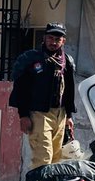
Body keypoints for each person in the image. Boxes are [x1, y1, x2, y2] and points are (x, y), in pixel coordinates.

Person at [9, 22, 77, 170]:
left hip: (60, 114)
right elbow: (21, 89)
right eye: (50, 38)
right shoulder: (31, 59)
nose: (53, 42)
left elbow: (69, 91)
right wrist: (24, 115)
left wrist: (69, 116)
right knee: (43, 158)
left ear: (63, 41)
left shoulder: (68, 62)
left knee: (56, 159)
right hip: (39, 114)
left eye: (57, 39)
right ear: (44, 38)